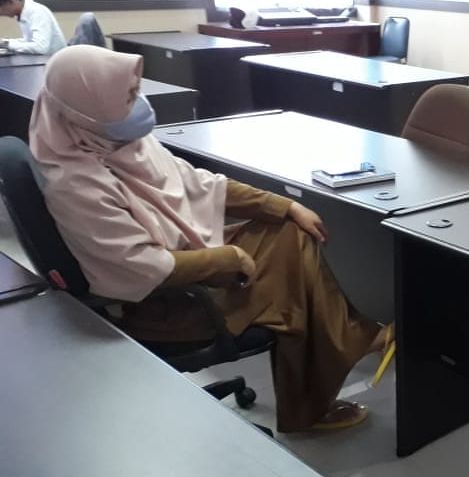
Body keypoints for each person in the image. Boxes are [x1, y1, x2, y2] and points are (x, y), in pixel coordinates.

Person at [29, 45, 390, 432]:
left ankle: (342, 349)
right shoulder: (76, 184)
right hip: (164, 305)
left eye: (136, 90)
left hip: (188, 265)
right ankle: (327, 379)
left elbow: (199, 183)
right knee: (291, 292)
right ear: (89, 111)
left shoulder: (118, 141)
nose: (140, 103)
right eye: (128, 96)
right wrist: (227, 259)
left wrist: (283, 205)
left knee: (290, 232)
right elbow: (141, 266)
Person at [0, 0, 67, 55]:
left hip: (54, 60)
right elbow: (29, 42)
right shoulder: (24, 12)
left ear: (11, 2)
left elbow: (40, 47)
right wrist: (5, 42)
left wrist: (6, 44)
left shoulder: (37, 12)